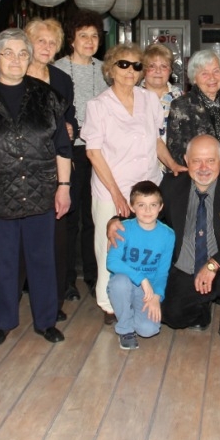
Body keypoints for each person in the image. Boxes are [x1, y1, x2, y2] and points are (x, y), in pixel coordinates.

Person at [0, 28, 72, 346]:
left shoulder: (47, 96)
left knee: (42, 260)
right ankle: (3, 322)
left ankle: (46, 321)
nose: (16, 60)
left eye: (23, 54)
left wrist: (63, 187)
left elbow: (62, 146)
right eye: (8, 53)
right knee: (3, 262)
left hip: (41, 191)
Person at [108, 135, 220, 346]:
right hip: (186, 267)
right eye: (197, 161)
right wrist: (116, 221)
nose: (203, 168)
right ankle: (201, 310)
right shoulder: (172, 185)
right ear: (186, 160)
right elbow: (148, 212)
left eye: (210, 161)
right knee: (172, 316)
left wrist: (214, 264)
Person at [83, 44, 184, 325]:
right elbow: (93, 153)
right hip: (111, 187)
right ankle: (109, 304)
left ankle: (145, 296)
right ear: (111, 69)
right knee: (111, 245)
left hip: (148, 186)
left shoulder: (149, 100)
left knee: (145, 246)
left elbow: (156, 140)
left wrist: (173, 164)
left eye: (137, 66)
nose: (130, 71)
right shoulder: (98, 105)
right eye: (123, 64)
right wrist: (116, 194)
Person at [25, 18, 79, 323]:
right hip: (20, 171)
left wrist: (71, 129)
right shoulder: (14, 74)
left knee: (56, 240)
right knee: (22, 242)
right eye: (40, 41)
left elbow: (70, 118)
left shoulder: (61, 79)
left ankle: (53, 303)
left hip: (55, 168)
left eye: (52, 42)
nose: (47, 47)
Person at [56, 9, 108, 303]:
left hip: (100, 151)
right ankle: (65, 280)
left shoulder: (106, 70)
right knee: (69, 217)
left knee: (94, 217)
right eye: (83, 36)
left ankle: (93, 275)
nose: (89, 41)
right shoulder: (57, 70)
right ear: (71, 40)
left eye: (94, 36)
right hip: (70, 152)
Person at [106, 180, 175, 350]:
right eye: (141, 205)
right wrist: (141, 278)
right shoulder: (123, 228)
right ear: (132, 207)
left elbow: (162, 272)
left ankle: (130, 311)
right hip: (126, 283)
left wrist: (157, 297)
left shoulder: (168, 235)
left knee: (148, 329)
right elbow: (112, 261)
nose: (147, 211)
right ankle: (125, 329)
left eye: (153, 205)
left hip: (147, 290)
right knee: (120, 283)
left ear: (160, 207)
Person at [165, 49, 220, 179]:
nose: (212, 78)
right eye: (204, 73)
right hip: (203, 176)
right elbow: (175, 149)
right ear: (194, 78)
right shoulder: (182, 105)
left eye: (216, 71)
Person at [140, 44, 183, 137]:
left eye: (163, 66)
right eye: (152, 66)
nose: (158, 71)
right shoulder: (132, 96)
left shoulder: (181, 97)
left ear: (170, 70)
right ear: (144, 70)